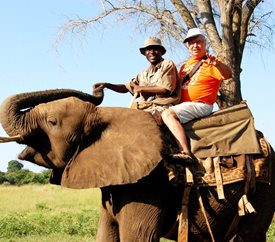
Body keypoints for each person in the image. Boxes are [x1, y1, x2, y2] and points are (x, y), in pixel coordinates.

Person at [161, 28, 233, 162]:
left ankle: (185, 152)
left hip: (201, 104)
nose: (195, 46)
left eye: (198, 42)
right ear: (188, 46)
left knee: (168, 114)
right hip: (183, 105)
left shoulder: (211, 62)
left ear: (205, 44)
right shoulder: (184, 66)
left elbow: (228, 75)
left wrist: (217, 64)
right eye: (191, 43)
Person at [94, 37, 179, 120]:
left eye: (155, 49)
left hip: (163, 106)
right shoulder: (143, 73)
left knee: (144, 120)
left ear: (161, 51)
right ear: (145, 53)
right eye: (148, 49)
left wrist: (142, 88)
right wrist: (107, 85)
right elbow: (127, 87)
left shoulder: (167, 64)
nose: (152, 52)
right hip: (145, 106)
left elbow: (165, 89)